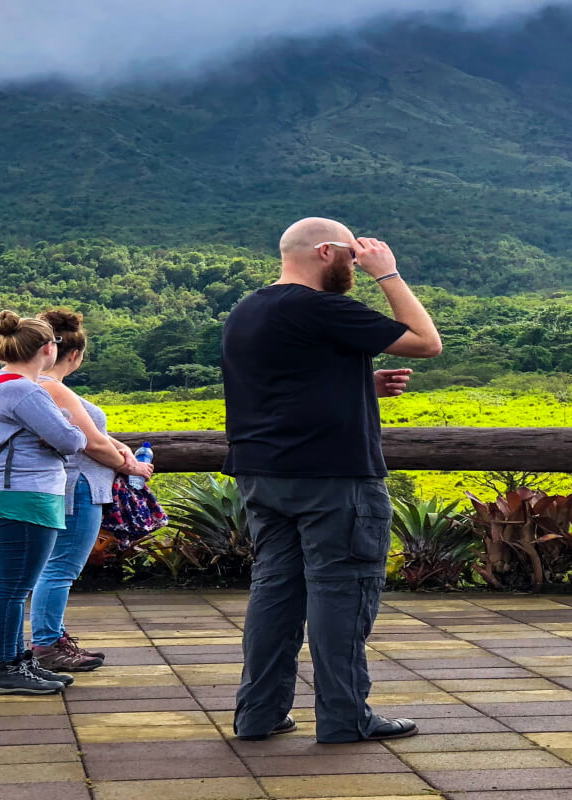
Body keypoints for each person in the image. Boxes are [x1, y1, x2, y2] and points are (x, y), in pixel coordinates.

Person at [222, 217, 441, 744]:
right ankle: (346, 716)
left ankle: (259, 713)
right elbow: (424, 341)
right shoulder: (320, 306)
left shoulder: (247, 310)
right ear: (326, 252)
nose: (357, 260)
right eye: (352, 252)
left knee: (275, 591)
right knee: (341, 592)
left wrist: (358, 383)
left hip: (263, 475)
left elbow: (282, 381)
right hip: (333, 477)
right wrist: (388, 274)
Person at [27, 309, 154, 673]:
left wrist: (118, 448)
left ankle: (52, 636)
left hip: (68, 485)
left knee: (53, 567)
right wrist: (130, 465)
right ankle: (48, 643)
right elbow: (90, 444)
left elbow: (92, 435)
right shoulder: (52, 386)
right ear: (74, 354)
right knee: (62, 567)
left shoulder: (40, 386)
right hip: (78, 487)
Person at [0, 311, 89, 695]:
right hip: (20, 497)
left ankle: (13, 660)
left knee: (14, 586)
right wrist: (67, 422)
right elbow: (72, 441)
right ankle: (0, 669)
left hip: (12, 495)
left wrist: (58, 427)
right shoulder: (25, 390)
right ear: (48, 348)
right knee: (10, 588)